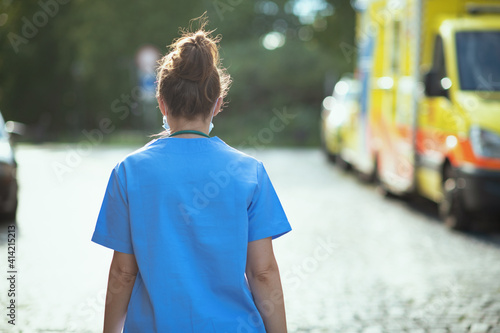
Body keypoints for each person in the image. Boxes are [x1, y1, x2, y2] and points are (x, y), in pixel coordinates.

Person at [91, 18, 291, 333]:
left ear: (162, 103)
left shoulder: (129, 172)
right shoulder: (249, 173)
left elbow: (123, 273)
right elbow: (263, 272)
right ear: (217, 104)